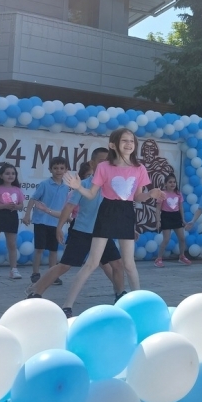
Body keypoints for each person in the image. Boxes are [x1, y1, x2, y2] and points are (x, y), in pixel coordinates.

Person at [63, 129, 165, 301]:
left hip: (127, 213)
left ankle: (138, 304)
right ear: (113, 145)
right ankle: (67, 304)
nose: (128, 144)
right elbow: (91, 194)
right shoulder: (104, 167)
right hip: (107, 212)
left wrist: (150, 194)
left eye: (131, 141)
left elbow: (138, 196)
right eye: (124, 140)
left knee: (129, 264)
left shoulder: (139, 168)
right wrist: (78, 187)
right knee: (92, 263)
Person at [27, 161, 125, 316]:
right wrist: (59, 227)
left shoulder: (114, 185)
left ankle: (121, 296)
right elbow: (69, 207)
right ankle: (36, 291)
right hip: (82, 232)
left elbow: (120, 210)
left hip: (103, 233)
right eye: (102, 163)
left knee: (117, 264)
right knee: (65, 266)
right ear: (94, 165)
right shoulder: (84, 184)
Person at [22, 156, 70, 284]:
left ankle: (52, 275)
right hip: (41, 221)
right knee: (40, 248)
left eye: (61, 168)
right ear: (50, 169)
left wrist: (68, 218)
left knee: (53, 250)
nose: (58, 171)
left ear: (66, 170)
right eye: (55, 168)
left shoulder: (67, 188)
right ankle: (35, 273)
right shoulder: (44, 184)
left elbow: (67, 205)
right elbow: (33, 199)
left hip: (55, 223)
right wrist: (27, 215)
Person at [154, 174, 191, 267]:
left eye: (174, 182)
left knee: (182, 238)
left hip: (176, 216)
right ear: (165, 184)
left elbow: (181, 208)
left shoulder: (178, 194)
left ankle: (182, 256)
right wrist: (158, 221)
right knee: (166, 239)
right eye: (170, 182)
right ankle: (158, 259)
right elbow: (158, 208)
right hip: (166, 216)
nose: (172, 184)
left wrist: (183, 220)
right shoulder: (162, 194)